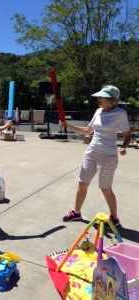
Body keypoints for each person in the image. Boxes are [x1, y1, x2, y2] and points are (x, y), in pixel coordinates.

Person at [62, 85, 132, 226]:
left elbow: (127, 135)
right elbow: (88, 131)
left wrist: (123, 147)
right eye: (99, 97)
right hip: (91, 151)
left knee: (105, 187)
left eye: (102, 97)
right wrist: (70, 126)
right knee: (82, 184)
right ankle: (76, 213)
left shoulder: (120, 113)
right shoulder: (98, 111)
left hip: (108, 155)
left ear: (112, 100)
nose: (99, 99)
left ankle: (114, 218)